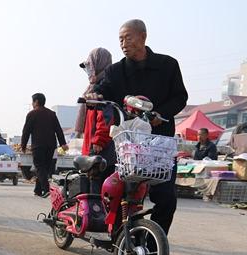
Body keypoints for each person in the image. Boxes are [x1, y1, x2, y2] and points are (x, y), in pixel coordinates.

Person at [92, 19, 188, 236]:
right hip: (127, 146)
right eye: (120, 39)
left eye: (128, 37)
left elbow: (180, 97)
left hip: (160, 145)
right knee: (120, 193)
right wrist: (94, 95)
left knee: (166, 198)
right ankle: (121, 240)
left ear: (143, 37)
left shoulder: (168, 65)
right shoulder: (115, 71)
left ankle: (154, 247)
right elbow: (102, 90)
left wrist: (160, 114)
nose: (123, 43)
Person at [79, 48, 115, 195]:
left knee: (96, 192)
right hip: (92, 146)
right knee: (87, 190)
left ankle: (97, 218)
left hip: (100, 147)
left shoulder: (104, 86)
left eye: (89, 67)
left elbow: (107, 116)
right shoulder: (93, 88)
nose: (88, 71)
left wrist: (99, 140)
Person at [20, 93, 68, 198]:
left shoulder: (32, 114)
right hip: (51, 146)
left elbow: (26, 131)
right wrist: (63, 143)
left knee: (40, 167)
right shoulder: (52, 114)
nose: (32, 104)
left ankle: (46, 189)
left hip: (38, 146)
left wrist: (23, 145)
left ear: (36, 102)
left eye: (33, 102)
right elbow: (58, 130)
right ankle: (38, 190)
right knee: (44, 168)